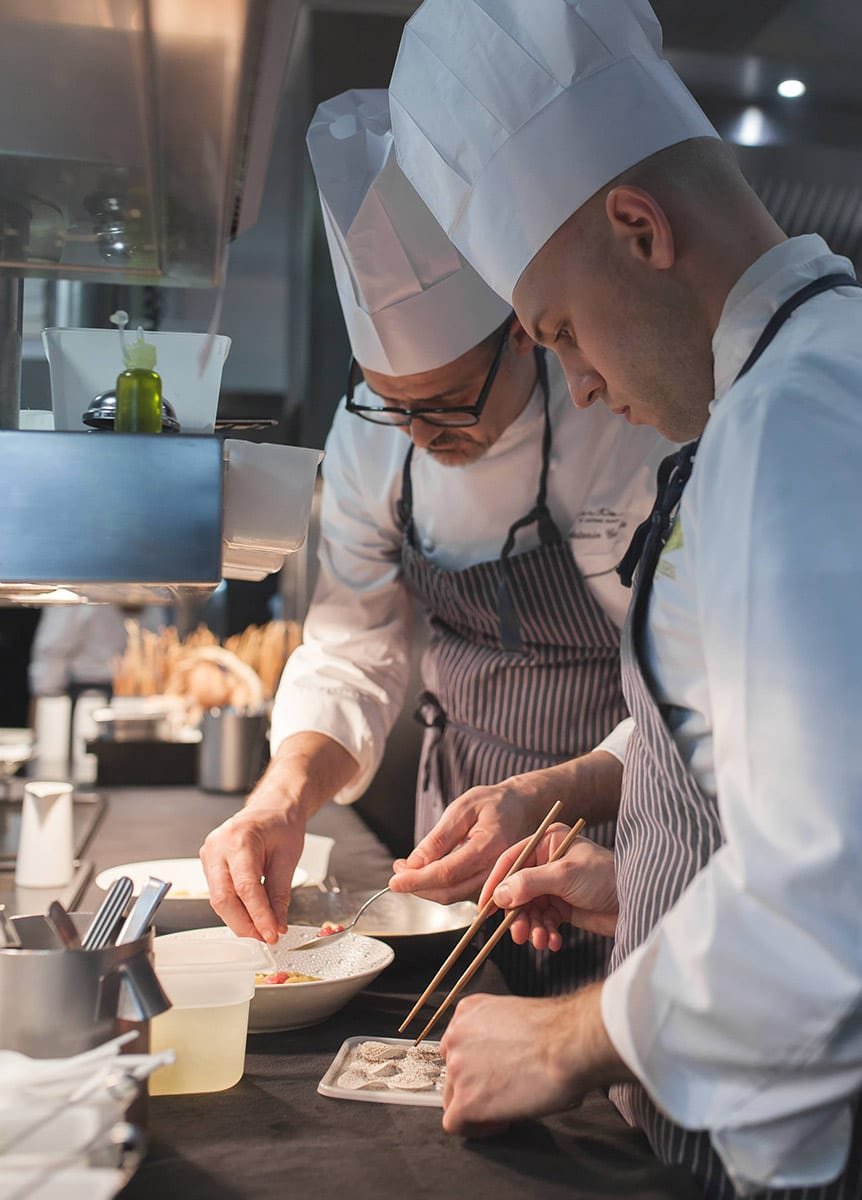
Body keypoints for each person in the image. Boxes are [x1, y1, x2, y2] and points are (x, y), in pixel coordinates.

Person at [389, 1, 862, 1195]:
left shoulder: (810, 421)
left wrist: (563, 1038)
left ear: (638, 228)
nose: (585, 388)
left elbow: (841, 896)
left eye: (563, 332)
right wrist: (646, 884)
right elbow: (803, 772)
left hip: (818, 1150)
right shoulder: (804, 383)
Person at [199, 90, 672, 995]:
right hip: (455, 820)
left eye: (450, 401)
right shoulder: (371, 434)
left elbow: (684, 685)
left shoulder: (620, 418)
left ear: (525, 340)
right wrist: (281, 799)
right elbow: (353, 648)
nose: (421, 433)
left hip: (619, 814)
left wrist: (550, 795)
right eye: (394, 404)